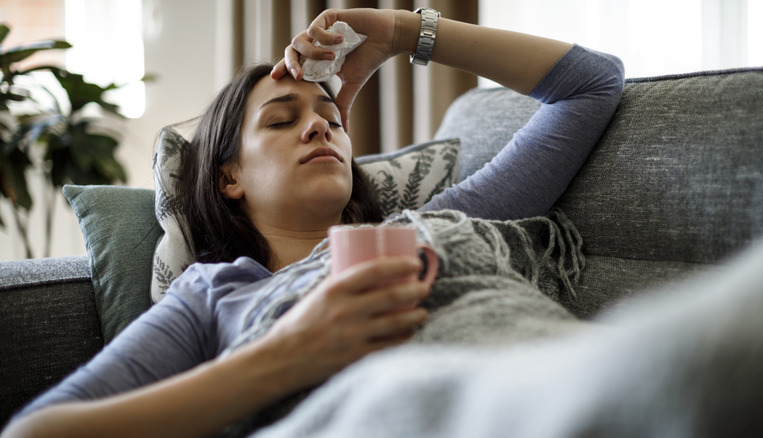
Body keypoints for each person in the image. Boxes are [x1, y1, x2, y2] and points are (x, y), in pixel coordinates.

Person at [2, 7, 624, 438]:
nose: (320, 127)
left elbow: (592, 85)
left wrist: (400, 31)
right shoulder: (213, 294)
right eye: (281, 120)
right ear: (229, 178)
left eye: (332, 118)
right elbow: (38, 430)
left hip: (561, 394)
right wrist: (288, 353)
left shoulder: (427, 226)